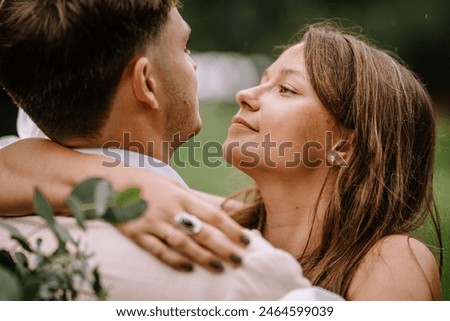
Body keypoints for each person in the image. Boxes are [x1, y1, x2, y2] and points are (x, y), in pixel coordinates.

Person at [0, 0, 343, 300]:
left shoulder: (10, 212)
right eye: (185, 48)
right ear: (146, 83)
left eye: (284, 88)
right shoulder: (242, 271)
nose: (193, 65)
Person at [220, 22, 443, 300]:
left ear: (343, 147)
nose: (245, 95)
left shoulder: (390, 261)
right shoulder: (217, 226)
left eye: (286, 89)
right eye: (264, 80)